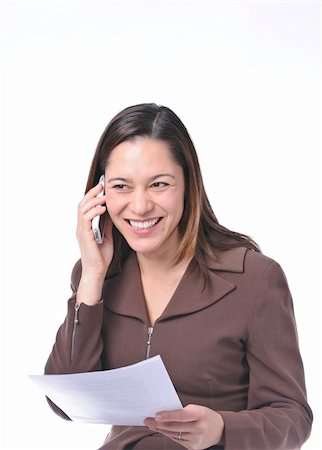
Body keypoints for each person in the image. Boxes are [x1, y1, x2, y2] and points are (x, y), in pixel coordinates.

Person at [45, 103, 313, 450]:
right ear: (100, 193)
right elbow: (64, 400)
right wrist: (92, 276)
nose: (140, 206)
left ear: (188, 184)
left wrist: (220, 429)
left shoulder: (255, 279)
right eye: (121, 187)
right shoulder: (95, 277)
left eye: (158, 184)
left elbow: (292, 417)